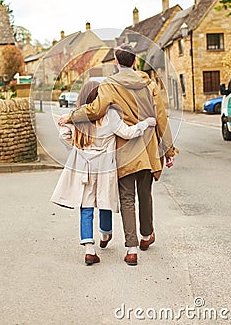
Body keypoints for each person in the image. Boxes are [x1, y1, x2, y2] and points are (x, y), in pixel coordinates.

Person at [58, 44, 176, 266]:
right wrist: (168, 150)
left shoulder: (110, 86)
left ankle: (131, 250)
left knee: (127, 199)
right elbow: (161, 118)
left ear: (116, 62)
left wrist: (72, 116)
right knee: (145, 194)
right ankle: (146, 235)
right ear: (135, 62)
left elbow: (94, 111)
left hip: (124, 151)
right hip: (148, 149)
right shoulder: (149, 84)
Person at [51, 80, 156, 266]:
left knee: (86, 204)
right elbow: (127, 132)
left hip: (85, 166)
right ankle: (105, 233)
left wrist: (77, 147)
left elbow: (63, 135)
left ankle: (89, 250)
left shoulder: (78, 116)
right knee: (104, 200)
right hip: (106, 166)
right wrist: (145, 124)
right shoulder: (111, 114)